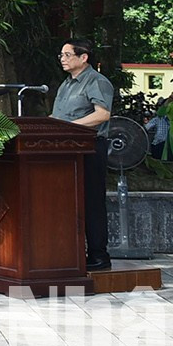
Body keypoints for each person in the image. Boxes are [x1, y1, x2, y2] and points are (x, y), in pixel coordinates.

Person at [54, 38, 113, 271]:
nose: (63, 60)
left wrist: (71, 126)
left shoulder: (97, 82)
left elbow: (102, 115)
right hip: (66, 148)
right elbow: (58, 116)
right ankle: (72, 251)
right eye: (61, 55)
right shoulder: (67, 84)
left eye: (67, 55)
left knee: (92, 202)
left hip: (90, 148)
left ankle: (99, 254)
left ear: (83, 57)